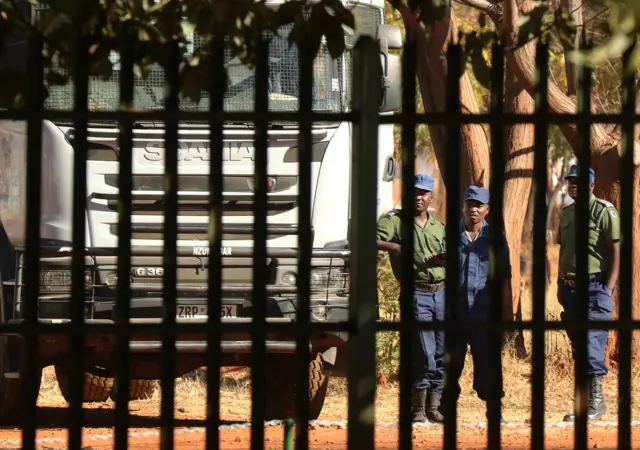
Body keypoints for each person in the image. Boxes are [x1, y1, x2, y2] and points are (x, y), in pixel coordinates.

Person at [376, 173, 446, 423]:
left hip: (441, 292)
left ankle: (433, 408)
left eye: (423, 193)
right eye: (414, 192)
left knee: (440, 352)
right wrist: (395, 247)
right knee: (425, 353)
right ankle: (416, 410)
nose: (418, 197)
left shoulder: (438, 225)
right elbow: (370, 239)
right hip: (417, 293)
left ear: (431, 197)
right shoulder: (395, 221)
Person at [439, 185, 511, 424]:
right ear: (463, 207)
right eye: (470, 204)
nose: (474, 209)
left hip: (485, 314)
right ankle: (446, 411)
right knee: (451, 364)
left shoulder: (496, 238)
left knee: (489, 364)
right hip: (455, 314)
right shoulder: (449, 235)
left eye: (479, 205)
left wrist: (506, 314)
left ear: (487, 210)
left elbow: (505, 278)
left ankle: (494, 412)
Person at [557, 165, 620, 422]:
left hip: (596, 288)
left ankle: (596, 403)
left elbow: (617, 251)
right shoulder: (566, 213)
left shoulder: (604, 211)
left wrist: (608, 288)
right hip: (570, 290)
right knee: (579, 347)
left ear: (591, 185)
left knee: (593, 345)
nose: (573, 185)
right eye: (570, 181)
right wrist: (560, 284)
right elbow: (563, 251)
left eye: (579, 181)